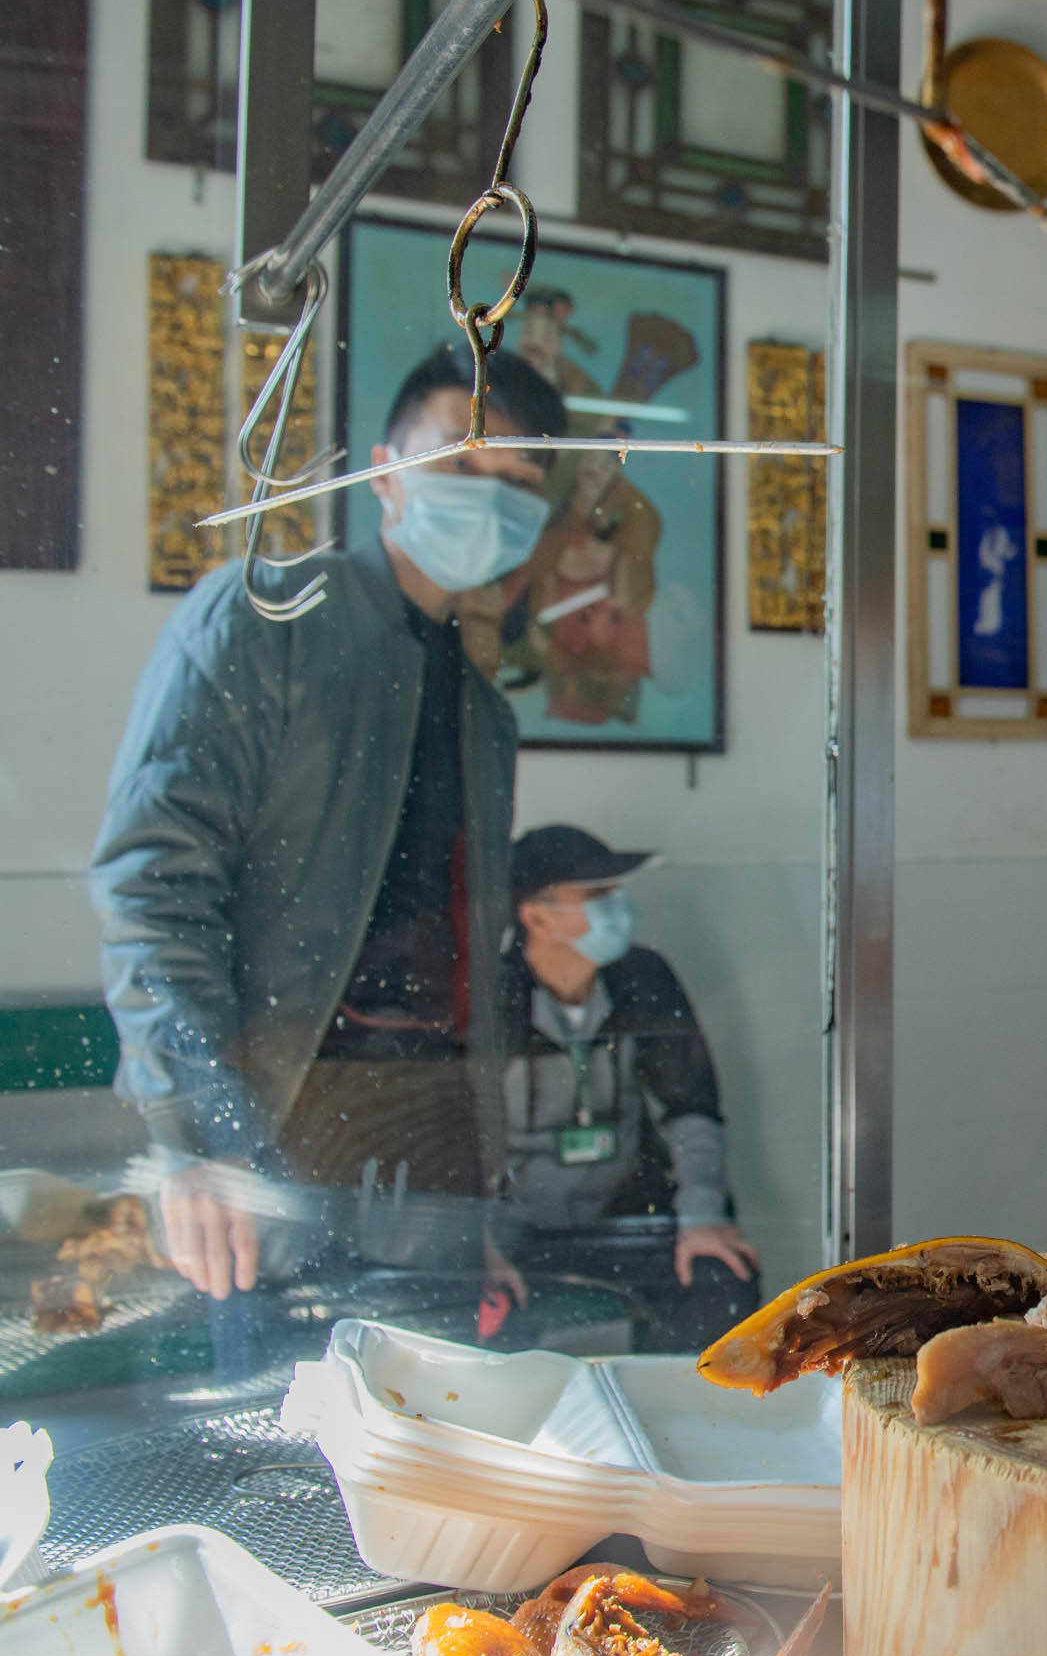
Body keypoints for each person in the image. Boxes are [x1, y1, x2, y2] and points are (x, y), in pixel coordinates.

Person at [94, 341, 570, 1370]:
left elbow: (468, 964)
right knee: (285, 1467)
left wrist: (475, 1204)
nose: (488, 498)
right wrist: (198, 1141)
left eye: (519, 483)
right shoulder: (264, 621)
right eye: (459, 463)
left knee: (439, 1478)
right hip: (272, 1144)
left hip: (431, 1164)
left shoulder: (484, 711)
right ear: (385, 471)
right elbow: (152, 887)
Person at [495, 825, 761, 1351]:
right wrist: (483, 1251)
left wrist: (702, 1217)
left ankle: (680, 1422)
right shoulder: (490, 994)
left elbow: (691, 1109)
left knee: (722, 1280)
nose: (617, 907)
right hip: (519, 1235)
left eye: (616, 892)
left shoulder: (644, 978)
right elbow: (453, 1134)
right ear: (536, 916)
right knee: (476, 1316)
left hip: (625, 1220)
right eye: (596, 896)